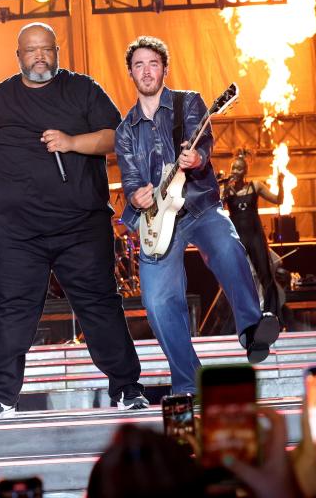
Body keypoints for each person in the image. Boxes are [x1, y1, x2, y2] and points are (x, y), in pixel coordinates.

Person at [0, 22, 146, 419]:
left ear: (57, 52)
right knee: (13, 309)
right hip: (16, 232)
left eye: (46, 49)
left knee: (100, 305)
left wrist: (73, 142)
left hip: (81, 226)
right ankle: (2, 397)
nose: (39, 56)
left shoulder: (83, 90)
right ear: (18, 56)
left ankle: (127, 388)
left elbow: (117, 136)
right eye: (31, 50)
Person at [114, 35, 279, 394]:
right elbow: (129, 177)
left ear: (164, 69)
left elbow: (201, 141)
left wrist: (197, 159)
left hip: (200, 205)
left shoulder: (188, 103)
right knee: (157, 301)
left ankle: (252, 332)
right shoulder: (125, 130)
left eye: (153, 64)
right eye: (139, 64)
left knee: (228, 247)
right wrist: (136, 195)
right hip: (157, 221)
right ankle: (190, 381)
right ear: (130, 72)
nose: (146, 71)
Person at [221, 153, 285, 320]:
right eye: (233, 167)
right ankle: (244, 314)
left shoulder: (255, 186)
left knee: (264, 273)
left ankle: (271, 313)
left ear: (245, 171)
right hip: (238, 239)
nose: (235, 170)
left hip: (255, 236)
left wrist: (281, 183)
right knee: (239, 277)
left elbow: (278, 200)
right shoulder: (227, 190)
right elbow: (216, 210)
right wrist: (224, 192)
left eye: (239, 168)